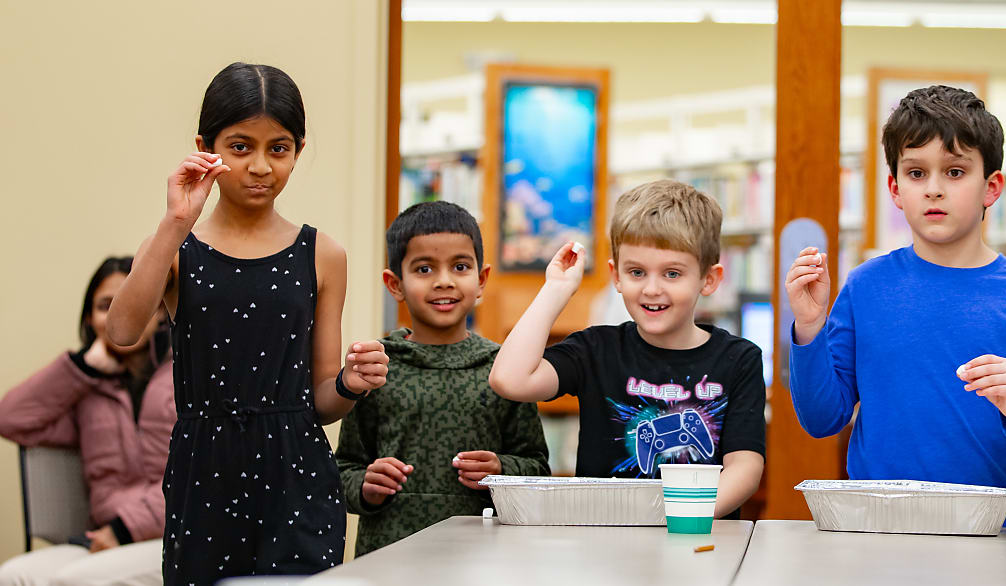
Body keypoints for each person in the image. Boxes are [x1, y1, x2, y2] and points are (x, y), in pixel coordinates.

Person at [105, 62, 389, 584]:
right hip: (203, 477)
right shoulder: (173, 248)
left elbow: (320, 401)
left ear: (298, 151)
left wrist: (350, 383)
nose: (260, 166)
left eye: (278, 149)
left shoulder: (323, 254)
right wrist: (175, 221)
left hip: (297, 477)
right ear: (205, 147)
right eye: (241, 147)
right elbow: (121, 332)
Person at [785, 85, 1006, 528]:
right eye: (917, 173)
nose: (934, 190)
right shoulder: (865, 286)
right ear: (895, 188)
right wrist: (809, 328)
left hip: (992, 535)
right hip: (874, 530)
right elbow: (822, 419)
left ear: (992, 187)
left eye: (956, 172)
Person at [490, 180, 766, 519]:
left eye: (672, 274)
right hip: (604, 551)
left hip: (695, 543)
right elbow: (509, 380)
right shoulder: (595, 349)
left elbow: (745, 468)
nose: (652, 288)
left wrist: (678, 516)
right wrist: (556, 290)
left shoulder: (740, 359)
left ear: (709, 279)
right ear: (616, 276)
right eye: (636, 272)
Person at [337, 201, 549, 556]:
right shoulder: (377, 368)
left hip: (486, 559)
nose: (444, 281)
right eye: (424, 269)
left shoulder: (505, 369)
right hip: (389, 558)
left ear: (481, 280)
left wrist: (501, 470)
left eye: (460, 266)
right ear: (395, 283)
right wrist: (366, 486)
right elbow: (343, 470)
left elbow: (537, 469)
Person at [0, 257, 173, 586]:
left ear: (161, 310)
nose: (121, 313)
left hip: (174, 532)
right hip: (104, 536)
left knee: (78, 580)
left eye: (134, 300)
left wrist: (125, 528)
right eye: (106, 306)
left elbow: (206, 472)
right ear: (90, 319)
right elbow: (10, 420)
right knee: (14, 575)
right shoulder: (86, 392)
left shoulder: (188, 376)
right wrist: (80, 368)